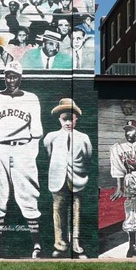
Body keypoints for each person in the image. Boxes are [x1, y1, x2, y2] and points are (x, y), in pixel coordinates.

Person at [0, 62, 43, 259]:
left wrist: (29, 153)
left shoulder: (31, 98)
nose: (11, 80)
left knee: (28, 196)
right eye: (8, 76)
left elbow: (37, 131)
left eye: (14, 76)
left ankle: (37, 245)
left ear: (20, 77)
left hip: (22, 148)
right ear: (4, 77)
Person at [43, 98, 92, 258]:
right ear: (59, 119)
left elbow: (87, 157)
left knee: (76, 212)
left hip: (77, 180)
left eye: (71, 118)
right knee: (58, 211)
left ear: (77, 118)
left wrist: (78, 172)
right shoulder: (51, 137)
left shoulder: (84, 138)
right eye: (65, 119)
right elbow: (48, 154)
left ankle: (76, 244)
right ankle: (60, 245)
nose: (68, 122)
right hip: (57, 180)